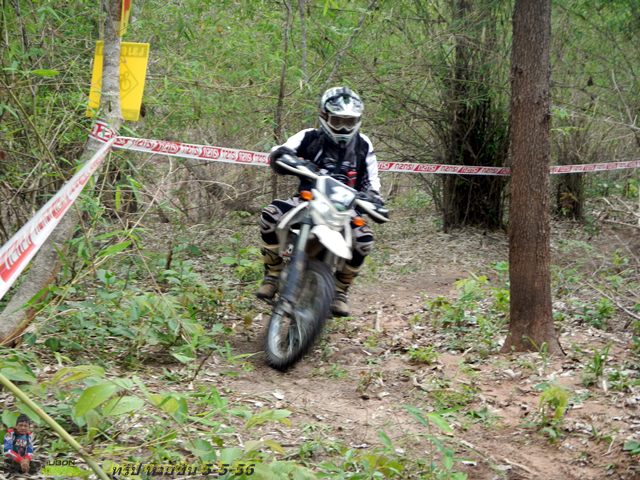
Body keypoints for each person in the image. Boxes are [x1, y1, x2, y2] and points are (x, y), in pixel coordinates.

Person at [257, 86, 384, 317]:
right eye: (338, 121)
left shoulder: (363, 145)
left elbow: (373, 183)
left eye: (350, 121)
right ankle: (273, 274)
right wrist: (291, 161)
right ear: (324, 116)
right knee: (270, 215)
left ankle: (340, 290)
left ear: (358, 120)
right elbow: (281, 151)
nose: (344, 127)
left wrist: (372, 198)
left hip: (345, 210)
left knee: (364, 241)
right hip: (307, 200)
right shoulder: (309, 137)